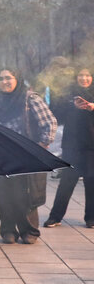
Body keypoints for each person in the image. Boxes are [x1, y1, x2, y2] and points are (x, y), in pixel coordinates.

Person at [0, 68, 57, 244]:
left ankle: (29, 231)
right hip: (3, 155)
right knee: (3, 194)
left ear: (17, 79)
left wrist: (42, 146)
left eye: (9, 78)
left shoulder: (30, 99)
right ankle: (8, 230)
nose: (5, 82)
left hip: (26, 156)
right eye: (1, 78)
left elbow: (50, 123)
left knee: (25, 195)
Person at [45, 67, 94, 228]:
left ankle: (91, 218)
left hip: (92, 146)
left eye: (87, 75)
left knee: (91, 181)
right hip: (72, 145)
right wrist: (72, 105)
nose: (84, 78)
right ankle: (55, 216)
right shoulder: (67, 94)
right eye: (81, 75)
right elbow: (55, 113)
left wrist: (92, 107)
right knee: (67, 181)